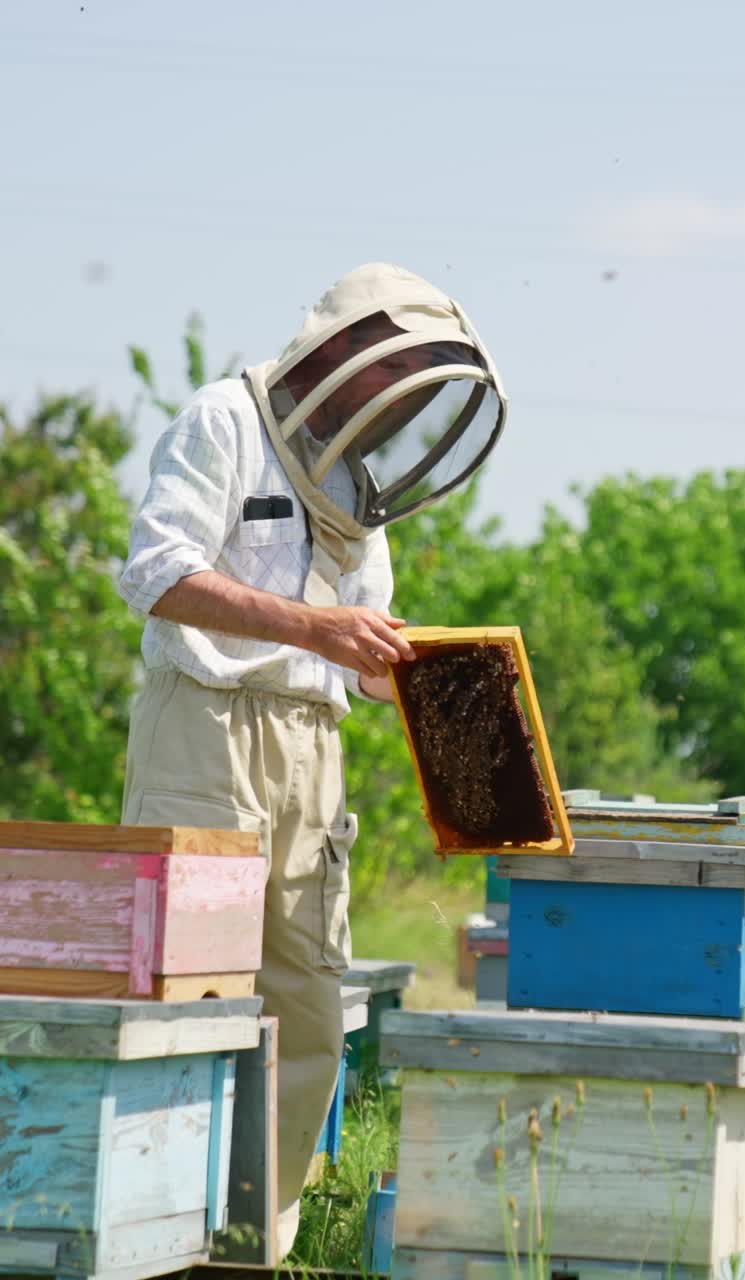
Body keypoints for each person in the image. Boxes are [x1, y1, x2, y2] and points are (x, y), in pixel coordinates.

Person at [117, 262, 507, 1252]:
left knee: (306, 1007)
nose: (401, 395)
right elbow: (158, 571)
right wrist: (314, 627)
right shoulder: (221, 422)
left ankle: (253, 1247)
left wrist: (412, 679)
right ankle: (150, 1236)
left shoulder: (356, 476)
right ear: (341, 348)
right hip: (206, 723)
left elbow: (358, 642)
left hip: (311, 745)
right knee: (182, 993)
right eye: (398, 369)